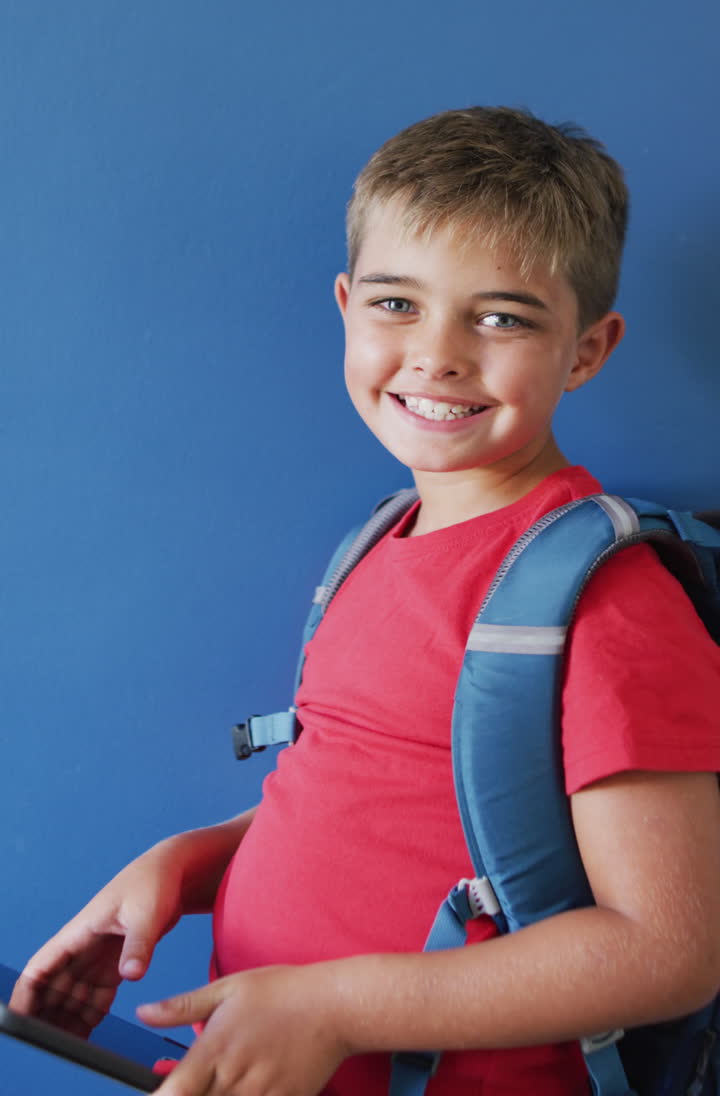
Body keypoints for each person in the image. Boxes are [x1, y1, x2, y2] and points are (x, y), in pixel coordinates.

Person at [17, 108, 720, 1095]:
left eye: (503, 316)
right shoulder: (378, 540)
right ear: (345, 303)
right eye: (398, 303)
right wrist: (192, 861)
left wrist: (338, 1004)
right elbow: (375, 796)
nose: (437, 354)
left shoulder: (603, 603)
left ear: (588, 347)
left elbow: (669, 946)